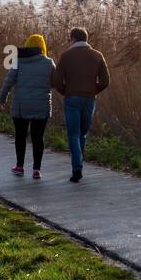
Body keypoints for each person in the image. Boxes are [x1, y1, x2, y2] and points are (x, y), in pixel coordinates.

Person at [52, 26, 111, 183]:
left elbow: (57, 80)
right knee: (82, 134)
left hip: (72, 99)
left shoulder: (66, 56)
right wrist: (93, 91)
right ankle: (79, 163)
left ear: (72, 38)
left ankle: (77, 168)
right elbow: (105, 81)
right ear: (86, 39)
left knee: (73, 134)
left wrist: (66, 91)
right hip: (89, 99)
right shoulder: (98, 55)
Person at [0, 33, 54, 180]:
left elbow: (8, 81)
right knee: (38, 138)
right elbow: (54, 83)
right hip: (41, 106)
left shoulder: (17, 60)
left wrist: (2, 98)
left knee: (20, 136)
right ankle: (36, 170)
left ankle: (20, 166)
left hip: (21, 106)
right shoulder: (49, 63)